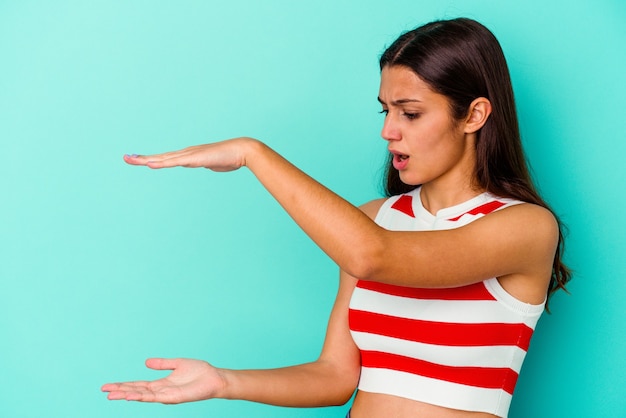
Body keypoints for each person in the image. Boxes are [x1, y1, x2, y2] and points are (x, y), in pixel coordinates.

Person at [101, 17, 570, 418]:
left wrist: (253, 154)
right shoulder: (373, 220)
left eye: (410, 113)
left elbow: (373, 256)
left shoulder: (525, 227)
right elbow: (334, 377)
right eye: (386, 111)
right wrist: (223, 381)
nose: (389, 131)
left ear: (474, 115)